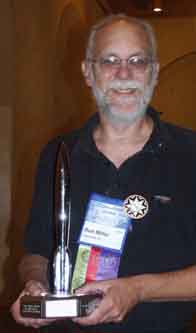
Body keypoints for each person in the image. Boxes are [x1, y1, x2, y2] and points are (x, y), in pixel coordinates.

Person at [11, 13, 196, 333]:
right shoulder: (57, 154)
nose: (124, 73)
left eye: (137, 61)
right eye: (109, 60)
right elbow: (36, 251)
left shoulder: (191, 153)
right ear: (88, 72)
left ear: (153, 72)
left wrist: (137, 290)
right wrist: (34, 285)